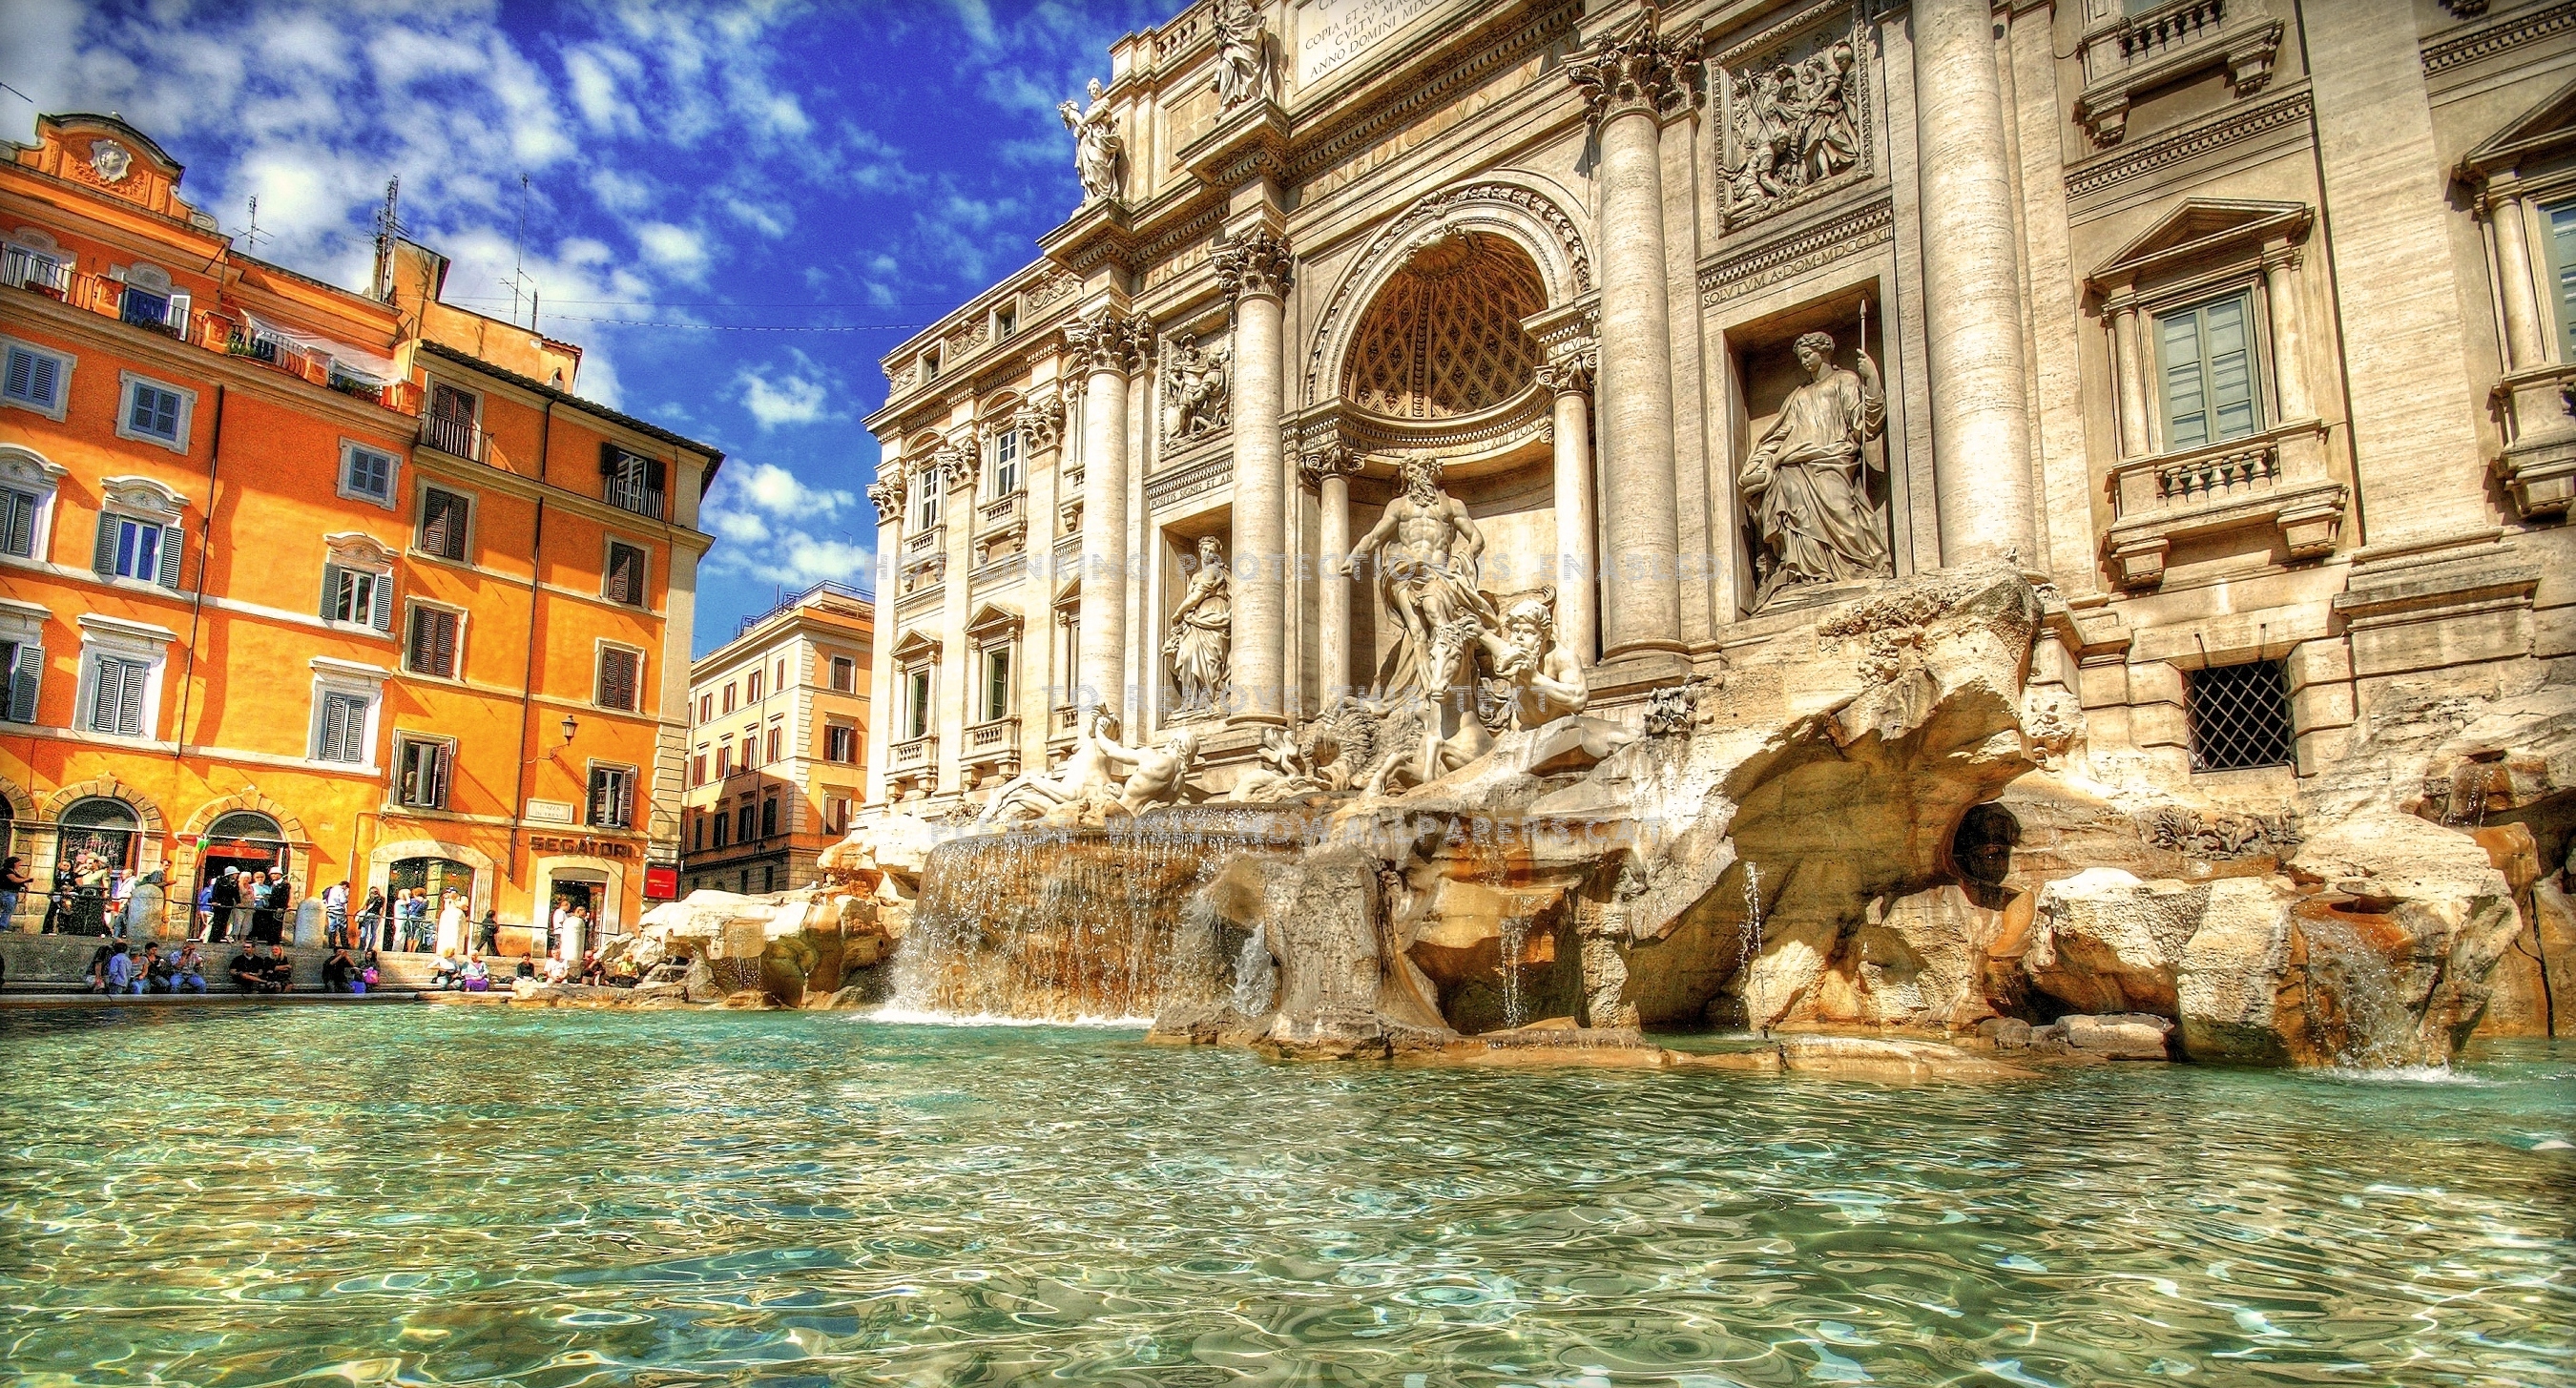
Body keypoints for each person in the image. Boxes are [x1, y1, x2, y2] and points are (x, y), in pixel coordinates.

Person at [119, 869, 167, 941]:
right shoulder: (128, 882)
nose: (121, 875)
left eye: (123, 874)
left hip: (131, 903)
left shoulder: (134, 882)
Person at [207, 867, 240, 943]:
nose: (237, 875)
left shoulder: (234, 882)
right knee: (217, 921)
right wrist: (214, 901)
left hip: (228, 903)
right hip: (219, 903)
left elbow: (236, 893)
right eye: (235, 873)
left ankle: (218, 938)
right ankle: (213, 939)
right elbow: (216, 890)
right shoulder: (220, 880)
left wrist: (238, 902)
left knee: (224, 922)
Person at [0, 854, 31, 928]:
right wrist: (27, 879)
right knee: (7, 910)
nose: (19, 865)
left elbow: (19, 880)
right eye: (18, 863)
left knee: (9, 910)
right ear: (14, 863)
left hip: (12, 893)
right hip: (7, 893)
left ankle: (3, 925)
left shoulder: (13, 871)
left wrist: (24, 885)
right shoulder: (7, 871)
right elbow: (15, 880)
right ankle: (2, 926)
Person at [436, 892, 467, 958]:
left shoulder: (447, 909)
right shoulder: (456, 908)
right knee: (454, 933)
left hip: (449, 915)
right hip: (454, 916)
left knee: (449, 933)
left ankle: (444, 950)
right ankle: (453, 950)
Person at [322, 880, 350, 949]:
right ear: (345, 886)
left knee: (332, 928)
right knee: (343, 927)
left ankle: (331, 944)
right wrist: (346, 899)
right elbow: (343, 900)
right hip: (339, 911)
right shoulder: (340, 890)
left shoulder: (331, 889)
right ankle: (344, 944)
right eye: (346, 888)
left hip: (330, 910)